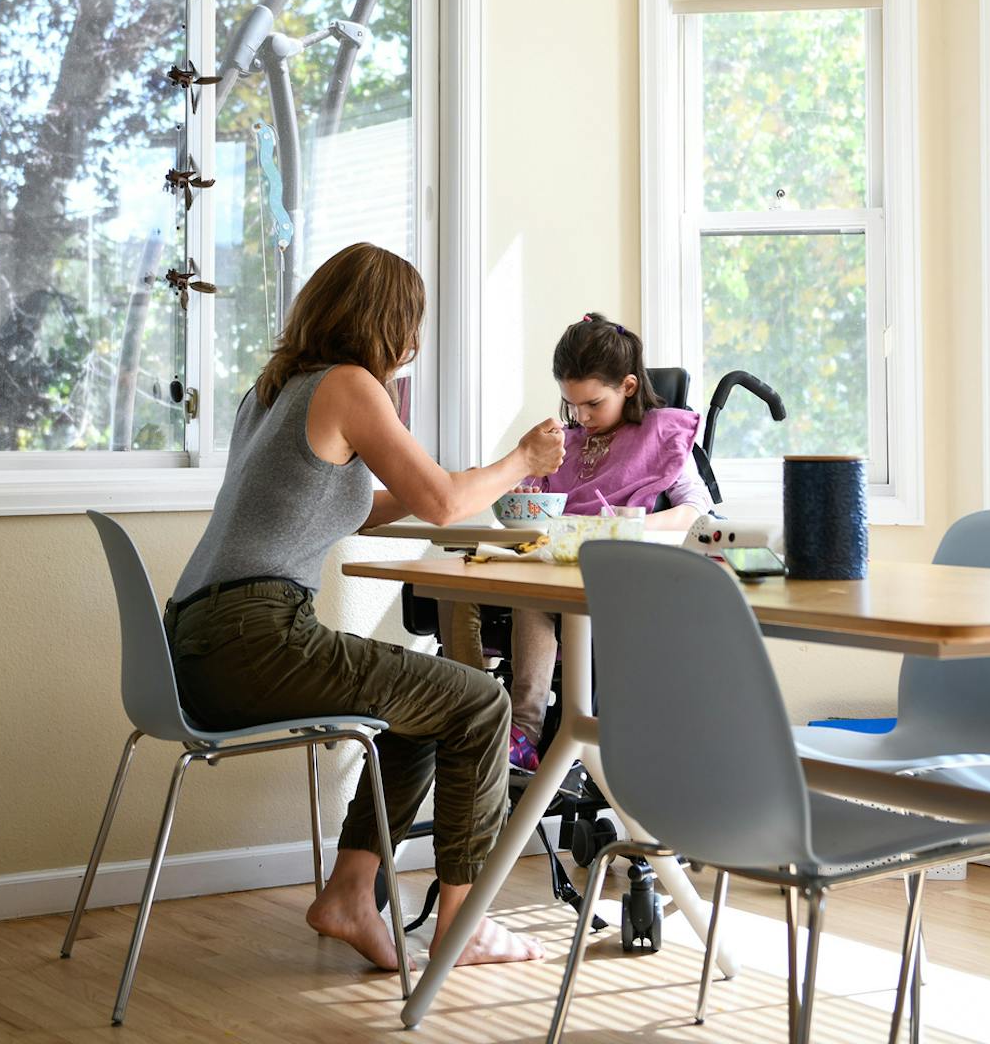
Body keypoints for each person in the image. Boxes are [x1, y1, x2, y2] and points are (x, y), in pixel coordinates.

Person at [164, 242, 563, 971]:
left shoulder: (277, 389)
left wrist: (440, 497)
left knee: (424, 701)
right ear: (386, 322)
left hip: (198, 640)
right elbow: (441, 501)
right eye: (411, 323)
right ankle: (462, 926)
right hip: (256, 636)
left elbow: (333, 503)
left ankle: (351, 895)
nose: (415, 342)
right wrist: (520, 463)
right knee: (480, 703)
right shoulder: (350, 385)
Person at [441, 312, 710, 771]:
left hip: (613, 572)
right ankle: (478, 718)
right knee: (453, 584)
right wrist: (525, 496)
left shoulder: (660, 437)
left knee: (533, 595)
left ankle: (522, 730)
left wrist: (630, 526)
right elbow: (534, 504)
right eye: (572, 406)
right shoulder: (565, 442)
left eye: (592, 404)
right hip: (550, 560)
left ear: (627, 386)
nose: (581, 418)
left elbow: (696, 513)